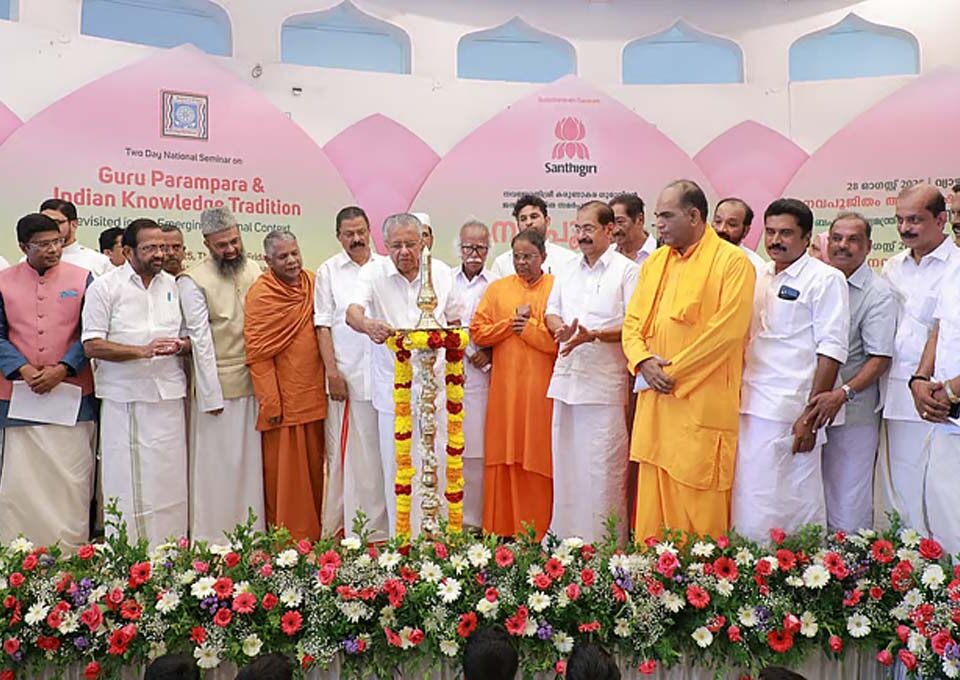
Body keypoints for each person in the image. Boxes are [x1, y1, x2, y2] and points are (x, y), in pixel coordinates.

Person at [623, 180, 755, 540]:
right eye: (657, 216)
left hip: (699, 402)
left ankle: (699, 575)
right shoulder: (655, 262)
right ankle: (651, 572)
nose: (659, 225)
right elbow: (632, 322)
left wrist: (669, 373)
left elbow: (726, 333)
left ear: (694, 216)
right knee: (653, 509)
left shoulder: (733, 263)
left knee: (700, 508)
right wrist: (643, 362)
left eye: (667, 216)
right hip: (656, 402)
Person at [733, 199, 849, 542]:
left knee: (793, 501)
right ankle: (751, 565)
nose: (775, 240)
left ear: (807, 236)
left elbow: (832, 350)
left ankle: (796, 569)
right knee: (750, 499)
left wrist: (810, 418)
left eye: (785, 233)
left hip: (792, 410)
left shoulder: (825, 279)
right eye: (770, 232)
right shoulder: (758, 274)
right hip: (750, 403)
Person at [346, 213, 462, 536]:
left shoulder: (441, 273)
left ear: (423, 241)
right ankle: (404, 542)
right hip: (394, 392)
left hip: (437, 391)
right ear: (384, 245)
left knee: (440, 464)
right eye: (396, 246)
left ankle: (441, 541)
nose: (404, 252)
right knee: (399, 469)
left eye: (410, 244)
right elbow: (352, 312)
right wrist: (368, 325)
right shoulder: (372, 273)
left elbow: (455, 320)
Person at [82, 219, 191, 547]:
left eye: (163, 247)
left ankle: (171, 553)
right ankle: (130, 555)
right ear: (128, 251)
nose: (160, 254)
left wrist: (180, 346)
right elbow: (92, 345)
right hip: (125, 398)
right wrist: (141, 351)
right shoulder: (105, 288)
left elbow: (189, 338)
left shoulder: (175, 285)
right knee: (128, 483)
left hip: (168, 397)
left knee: (169, 480)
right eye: (150, 248)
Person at [0, 213, 96, 550]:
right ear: (23, 246)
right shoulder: (3, 281)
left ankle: (71, 552)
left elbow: (91, 332)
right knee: (21, 482)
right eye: (42, 245)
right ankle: (19, 553)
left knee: (71, 480)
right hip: (18, 393)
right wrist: (22, 369)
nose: (53, 249)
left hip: (72, 393)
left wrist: (64, 368)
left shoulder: (84, 278)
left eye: (56, 242)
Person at [545, 201, 639, 542]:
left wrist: (594, 335)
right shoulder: (567, 269)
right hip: (567, 380)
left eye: (589, 228)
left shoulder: (627, 271)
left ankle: (603, 546)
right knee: (567, 466)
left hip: (603, 387)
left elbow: (634, 326)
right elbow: (551, 311)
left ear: (609, 230)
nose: (581, 236)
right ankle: (564, 540)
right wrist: (559, 328)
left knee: (602, 469)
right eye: (578, 228)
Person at [178, 207, 264, 543]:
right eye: (222, 245)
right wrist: (210, 395)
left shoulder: (253, 268)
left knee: (251, 468)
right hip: (219, 389)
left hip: (255, 384)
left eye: (234, 241)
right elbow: (200, 340)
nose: (230, 250)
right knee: (219, 468)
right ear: (207, 244)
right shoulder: (192, 280)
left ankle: (253, 535)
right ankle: (215, 539)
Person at [877, 184, 959, 532]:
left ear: (940, 220)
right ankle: (912, 558)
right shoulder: (892, 267)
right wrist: (916, 381)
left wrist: (940, 387)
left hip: (944, 395)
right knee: (904, 485)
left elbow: (939, 330)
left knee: (945, 493)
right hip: (902, 389)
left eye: (914, 220)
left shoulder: (955, 263)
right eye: (900, 220)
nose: (905, 228)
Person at [809, 213, 895, 532]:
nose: (842, 246)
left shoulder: (878, 293)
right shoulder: (819, 281)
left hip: (853, 413)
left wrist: (841, 395)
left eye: (852, 240)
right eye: (836, 238)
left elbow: (879, 358)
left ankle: (849, 562)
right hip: (814, 410)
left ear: (868, 246)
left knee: (847, 502)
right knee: (813, 499)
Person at [471, 230, 557, 539]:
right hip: (504, 392)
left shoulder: (555, 288)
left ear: (543, 257)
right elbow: (478, 332)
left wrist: (529, 328)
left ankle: (539, 531)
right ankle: (501, 528)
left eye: (528, 257)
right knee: (503, 452)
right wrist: (510, 324)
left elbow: (559, 343)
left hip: (540, 392)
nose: (522, 263)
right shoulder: (498, 289)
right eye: (517, 257)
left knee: (537, 453)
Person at [244, 230, 327, 541]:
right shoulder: (261, 294)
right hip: (284, 401)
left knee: (316, 471)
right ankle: (291, 541)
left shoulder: (313, 282)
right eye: (283, 257)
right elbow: (258, 355)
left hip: (316, 395)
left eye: (295, 253)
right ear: (268, 261)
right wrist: (270, 402)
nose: (292, 261)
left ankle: (318, 534)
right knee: (288, 478)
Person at [314, 206, 389, 541]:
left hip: (386, 378)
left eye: (361, 232)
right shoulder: (329, 271)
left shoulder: (386, 267)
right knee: (351, 457)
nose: (357, 239)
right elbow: (323, 326)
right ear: (338, 236)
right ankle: (352, 528)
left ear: (370, 231)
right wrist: (332, 372)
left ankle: (387, 528)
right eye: (349, 234)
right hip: (349, 377)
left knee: (384, 453)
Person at [909, 258, 960, 553]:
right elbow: (939, 329)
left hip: (949, 401)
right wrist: (919, 379)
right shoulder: (954, 266)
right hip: (946, 418)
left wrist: (952, 389)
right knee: (945, 522)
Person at [452, 219, 495, 530]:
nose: (474, 254)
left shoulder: (496, 284)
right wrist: (465, 350)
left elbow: (502, 325)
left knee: (478, 451)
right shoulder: (444, 280)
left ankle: (477, 522)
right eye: (468, 247)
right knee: (451, 447)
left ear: (489, 250)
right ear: (459, 247)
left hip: (483, 377)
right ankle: (452, 519)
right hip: (448, 374)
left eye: (480, 248)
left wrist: (488, 353)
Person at [490, 194, 576, 278]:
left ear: (547, 221)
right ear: (518, 225)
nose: (528, 222)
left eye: (534, 217)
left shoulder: (568, 259)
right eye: (523, 219)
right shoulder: (502, 264)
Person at [39, 198, 112, 276]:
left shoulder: (99, 261)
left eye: (56, 223)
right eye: (43, 223)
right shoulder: (32, 260)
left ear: (74, 224)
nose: (48, 227)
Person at [712, 197, 766, 273]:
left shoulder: (756, 266)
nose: (722, 229)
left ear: (746, 231)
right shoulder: (699, 253)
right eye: (718, 221)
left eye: (732, 224)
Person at [609, 193, 656, 266]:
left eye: (620, 222)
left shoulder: (660, 252)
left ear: (640, 219)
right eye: (612, 223)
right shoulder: (607, 254)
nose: (615, 230)